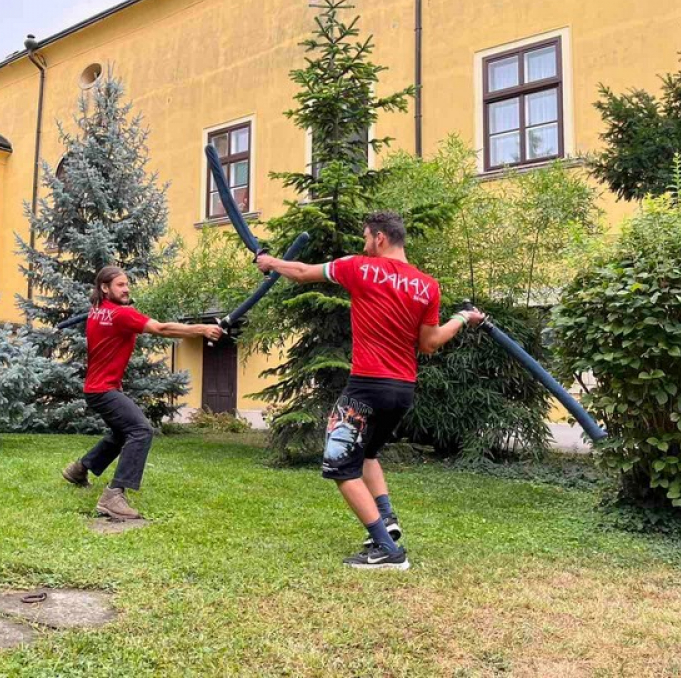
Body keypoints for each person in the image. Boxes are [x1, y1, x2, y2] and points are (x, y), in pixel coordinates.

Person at [256, 211, 484, 570]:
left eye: (366, 237)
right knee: (367, 455)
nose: (364, 244)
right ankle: (387, 519)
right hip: (402, 390)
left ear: (380, 238)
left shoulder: (359, 267)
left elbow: (300, 272)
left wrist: (269, 262)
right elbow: (429, 343)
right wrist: (462, 318)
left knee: (340, 465)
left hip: (366, 386)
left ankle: (387, 549)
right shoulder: (428, 286)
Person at [62, 266, 223, 520]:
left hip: (97, 388)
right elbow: (162, 329)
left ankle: (79, 470)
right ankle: (113, 496)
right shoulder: (121, 314)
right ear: (104, 288)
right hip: (103, 389)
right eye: (120, 285)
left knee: (121, 433)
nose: (126, 289)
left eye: (127, 284)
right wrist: (201, 329)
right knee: (141, 431)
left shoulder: (98, 310)